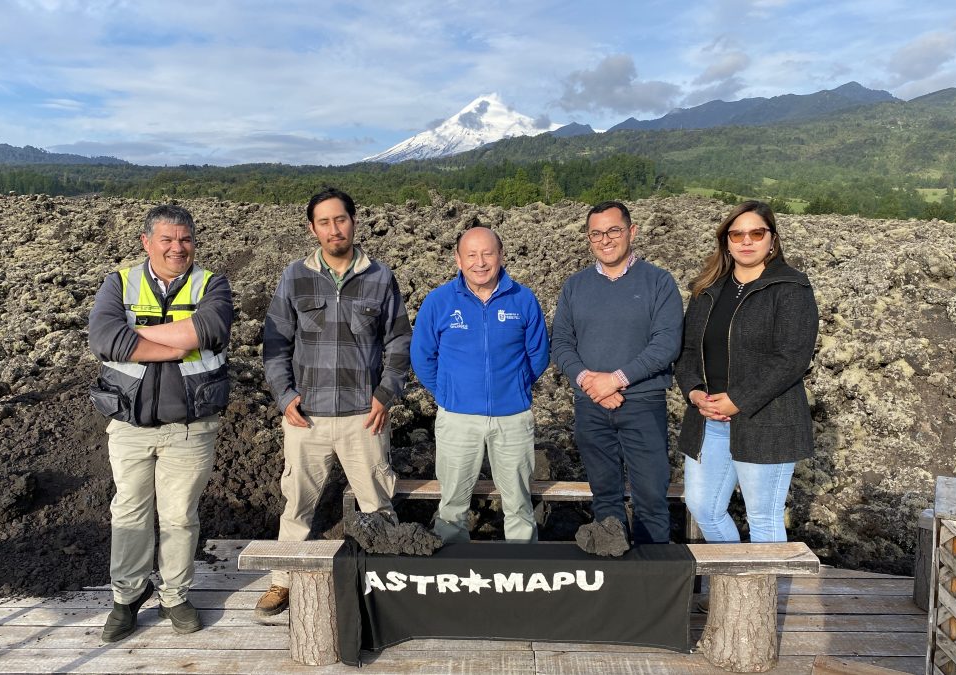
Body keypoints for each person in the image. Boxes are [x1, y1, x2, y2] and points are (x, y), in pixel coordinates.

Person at [257, 187, 411, 617]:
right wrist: (284, 396)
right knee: (297, 505)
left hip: (365, 416)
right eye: (323, 222)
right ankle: (282, 581)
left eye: (339, 219)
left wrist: (386, 392)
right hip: (307, 419)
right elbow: (274, 343)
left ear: (354, 221)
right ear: (312, 229)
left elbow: (399, 340)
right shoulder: (295, 277)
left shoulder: (380, 277)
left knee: (378, 504)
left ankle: (388, 586)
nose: (333, 228)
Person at [88, 204, 233, 642]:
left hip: (190, 426)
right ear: (146, 242)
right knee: (128, 511)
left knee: (178, 517)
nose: (177, 248)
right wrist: (174, 344)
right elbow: (103, 338)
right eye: (166, 239)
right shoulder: (119, 282)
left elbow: (206, 331)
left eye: (185, 239)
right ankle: (127, 597)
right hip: (130, 424)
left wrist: (139, 339)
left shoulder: (213, 283)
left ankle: (175, 595)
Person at [675, 200, 818, 543]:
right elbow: (687, 350)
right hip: (708, 419)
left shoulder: (791, 288)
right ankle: (735, 590)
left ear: (772, 239)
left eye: (756, 232)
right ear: (726, 241)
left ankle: (763, 597)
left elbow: (792, 358)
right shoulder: (706, 288)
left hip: (766, 420)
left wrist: (738, 400)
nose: (746, 241)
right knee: (703, 507)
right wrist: (694, 391)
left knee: (763, 519)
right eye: (737, 234)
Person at [552, 200, 683, 545]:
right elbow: (562, 343)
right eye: (596, 233)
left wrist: (615, 379)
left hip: (642, 405)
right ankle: (614, 574)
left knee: (652, 499)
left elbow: (666, 343)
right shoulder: (575, 286)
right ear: (588, 238)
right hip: (590, 408)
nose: (605, 239)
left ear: (632, 232)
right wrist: (589, 382)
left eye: (614, 230)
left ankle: (652, 584)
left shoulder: (659, 282)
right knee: (605, 498)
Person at [410, 227, 550, 544]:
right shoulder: (439, 302)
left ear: (501, 255)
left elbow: (538, 355)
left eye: (487, 253)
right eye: (471, 255)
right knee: (453, 505)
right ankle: (452, 572)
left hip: (512, 418)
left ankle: (523, 572)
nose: (480, 262)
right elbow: (422, 358)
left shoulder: (523, 299)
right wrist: (449, 393)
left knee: (518, 503)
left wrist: (512, 388)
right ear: (458, 259)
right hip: (457, 419)